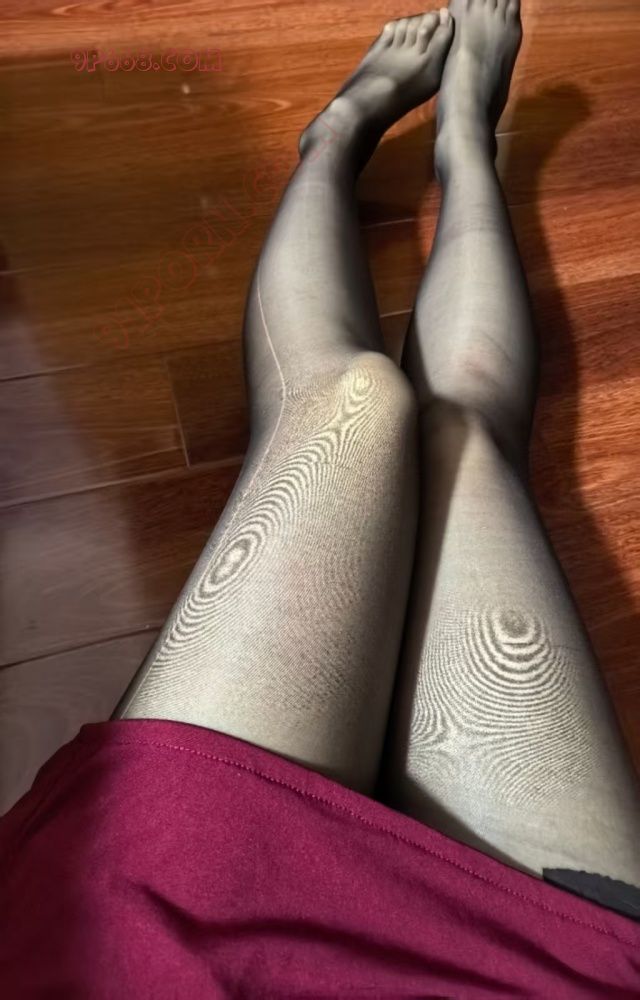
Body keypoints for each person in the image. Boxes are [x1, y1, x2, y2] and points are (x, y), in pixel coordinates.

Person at [2, 1, 639, 995]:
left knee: (354, 399)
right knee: (459, 435)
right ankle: (461, 140)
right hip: (540, 972)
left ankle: (344, 135)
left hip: (157, 933)